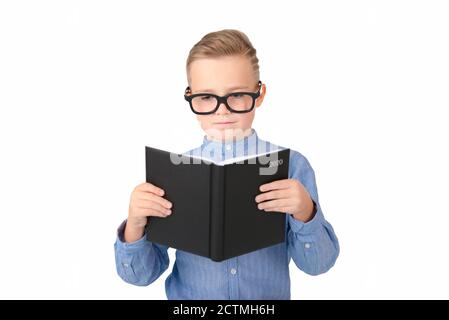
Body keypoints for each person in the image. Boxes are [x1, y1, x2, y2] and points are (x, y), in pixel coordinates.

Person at [114, 29, 339, 299]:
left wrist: (306, 211)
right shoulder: (174, 173)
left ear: (259, 94)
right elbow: (140, 276)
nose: (223, 110)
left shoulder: (291, 166)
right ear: (190, 96)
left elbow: (318, 265)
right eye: (207, 97)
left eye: (237, 95)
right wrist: (135, 226)